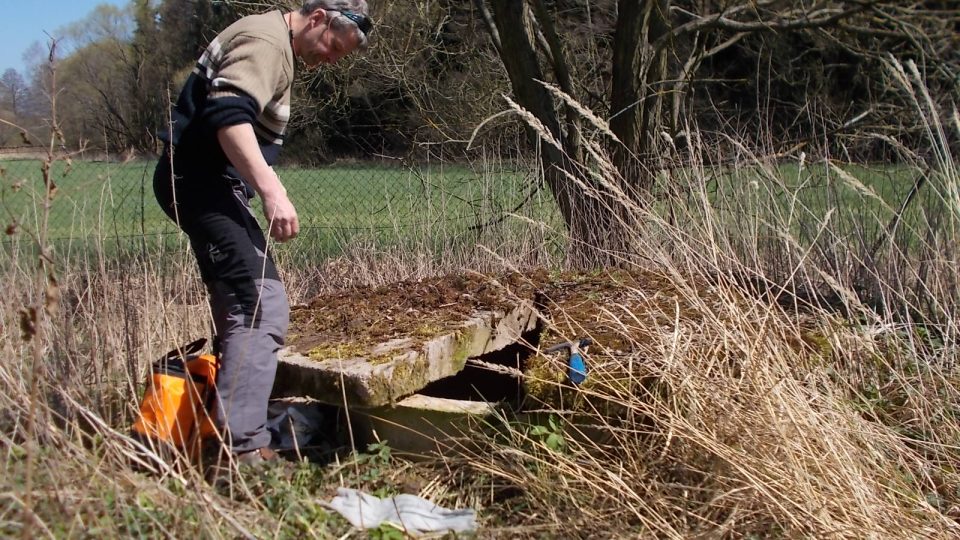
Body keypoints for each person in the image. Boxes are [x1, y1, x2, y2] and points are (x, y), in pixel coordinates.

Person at [153, 1, 371, 467]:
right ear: (317, 18)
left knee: (242, 303)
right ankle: (241, 451)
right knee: (260, 304)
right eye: (335, 44)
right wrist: (272, 191)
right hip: (200, 183)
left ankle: (218, 425)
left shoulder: (275, 43)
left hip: (206, 184)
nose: (333, 58)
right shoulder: (267, 41)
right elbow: (228, 115)